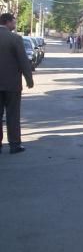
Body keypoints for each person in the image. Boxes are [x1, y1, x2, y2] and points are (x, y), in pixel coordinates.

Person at [0, 13, 34, 154]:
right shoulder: (15, 38)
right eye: (14, 22)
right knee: (13, 115)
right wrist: (29, 79)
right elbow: (23, 61)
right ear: (7, 22)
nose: (15, 24)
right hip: (12, 85)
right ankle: (14, 145)